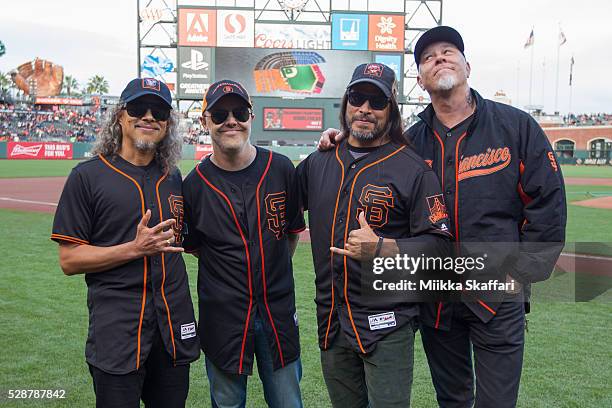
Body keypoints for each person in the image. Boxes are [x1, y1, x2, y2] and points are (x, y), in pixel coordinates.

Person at [318, 26, 567, 408]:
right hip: (436, 298)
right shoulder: (410, 142)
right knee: (452, 399)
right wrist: (337, 137)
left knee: (497, 402)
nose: (440, 59)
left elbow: (547, 205)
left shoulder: (516, 127)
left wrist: (521, 273)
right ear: (420, 79)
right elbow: (364, 151)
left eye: (449, 51)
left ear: (468, 65)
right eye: (429, 57)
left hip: (497, 295)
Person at [296, 63, 452, 407]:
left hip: (388, 324)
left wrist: (385, 248)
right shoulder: (318, 161)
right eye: (357, 97)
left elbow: (441, 247)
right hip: (332, 324)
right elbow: (277, 205)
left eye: (376, 101)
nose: (365, 109)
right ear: (346, 102)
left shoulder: (412, 169)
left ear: (390, 109)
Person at [51, 77, 200, 408]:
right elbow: (69, 260)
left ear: (168, 123)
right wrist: (134, 249)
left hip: (173, 328)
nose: (148, 116)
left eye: (159, 111)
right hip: (118, 334)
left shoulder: (173, 177)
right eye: (138, 108)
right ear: (119, 116)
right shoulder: (87, 176)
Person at [182, 79, 305, 408]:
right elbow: (196, 248)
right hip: (223, 318)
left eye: (239, 112)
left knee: (288, 403)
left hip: (278, 312)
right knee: (227, 404)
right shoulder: (193, 185)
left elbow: (290, 234)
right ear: (204, 121)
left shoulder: (280, 169)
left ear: (251, 116)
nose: (231, 120)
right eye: (220, 114)